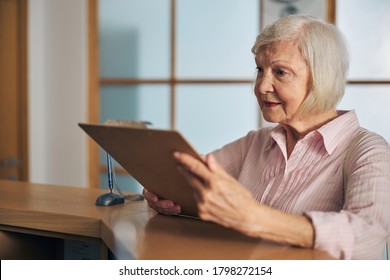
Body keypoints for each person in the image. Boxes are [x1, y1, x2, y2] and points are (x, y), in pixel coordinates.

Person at [143, 15, 390, 260]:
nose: (261, 86)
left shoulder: (368, 150)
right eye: (260, 70)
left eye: (280, 72)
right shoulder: (258, 141)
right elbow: (189, 179)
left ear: (321, 78)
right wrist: (163, 192)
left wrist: (256, 217)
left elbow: (367, 236)